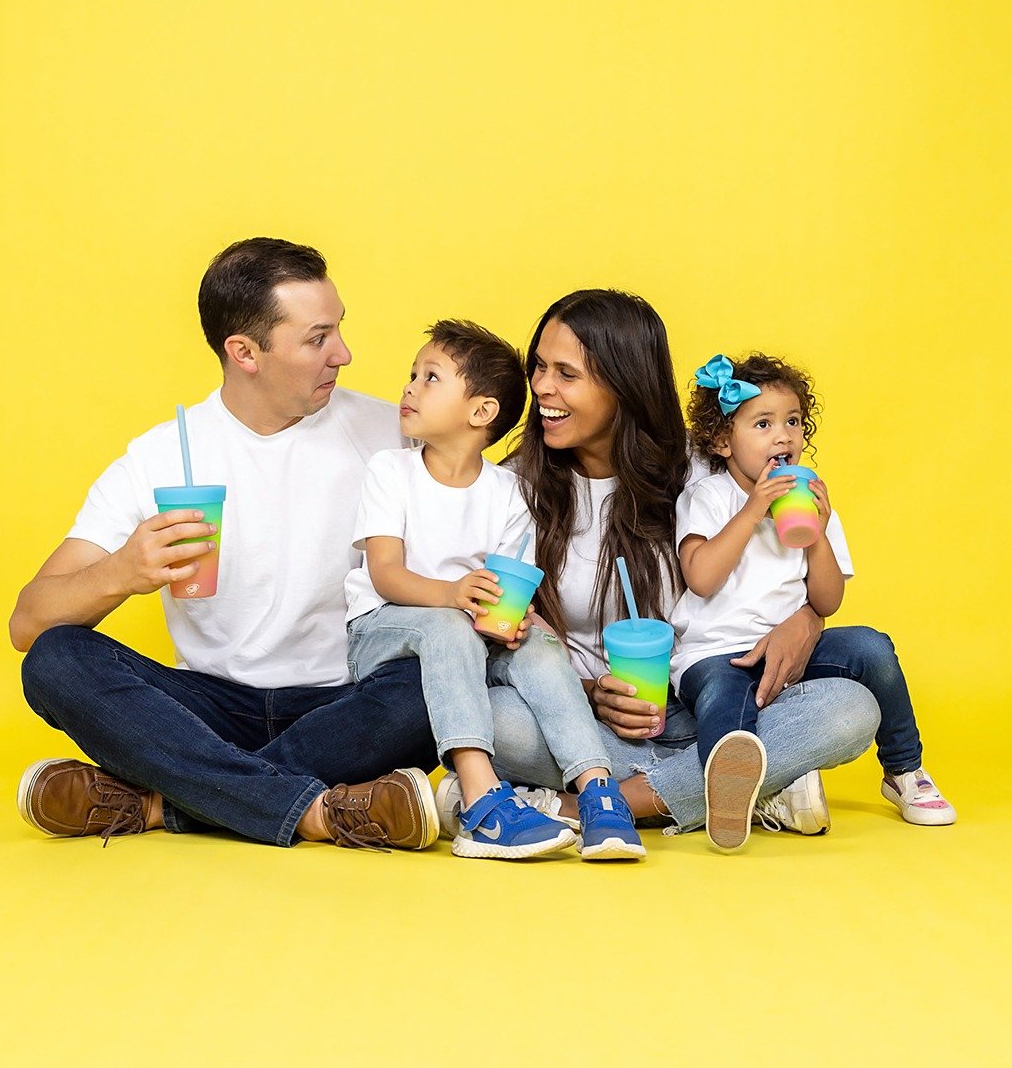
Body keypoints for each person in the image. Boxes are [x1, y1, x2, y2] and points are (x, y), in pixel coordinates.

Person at [9, 237, 441, 851]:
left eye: (337, 328)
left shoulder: (392, 434)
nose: (344, 353)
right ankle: (317, 809)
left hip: (348, 701)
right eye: (317, 338)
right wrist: (122, 572)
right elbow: (28, 623)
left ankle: (169, 802)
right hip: (204, 707)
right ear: (244, 352)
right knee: (55, 661)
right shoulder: (160, 456)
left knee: (441, 680)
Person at [457, 288, 881, 848]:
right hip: (588, 728)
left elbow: (792, 562)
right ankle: (743, 788)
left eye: (567, 373)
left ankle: (595, 805)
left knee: (853, 709)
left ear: (625, 384)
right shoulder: (515, 491)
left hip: (718, 700)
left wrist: (807, 619)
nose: (541, 388)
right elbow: (492, 640)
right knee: (491, 715)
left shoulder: (708, 466)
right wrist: (587, 692)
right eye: (540, 366)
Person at [345, 320, 645, 860]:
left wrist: (520, 623)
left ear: (480, 412)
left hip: (465, 628)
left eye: (429, 377)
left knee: (540, 646)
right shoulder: (391, 471)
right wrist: (455, 594)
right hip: (383, 626)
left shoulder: (509, 492)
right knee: (447, 629)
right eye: (412, 375)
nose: (409, 386)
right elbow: (385, 575)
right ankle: (482, 803)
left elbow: (510, 592)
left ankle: (600, 794)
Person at [672, 351, 955, 849]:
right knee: (726, 705)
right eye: (763, 423)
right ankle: (733, 797)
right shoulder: (710, 497)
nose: (784, 436)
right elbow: (700, 577)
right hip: (716, 655)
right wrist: (753, 509)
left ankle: (904, 770)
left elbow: (827, 601)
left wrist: (819, 535)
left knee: (872, 646)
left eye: (793, 422)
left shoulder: (813, 501)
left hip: (791, 653)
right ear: (722, 441)